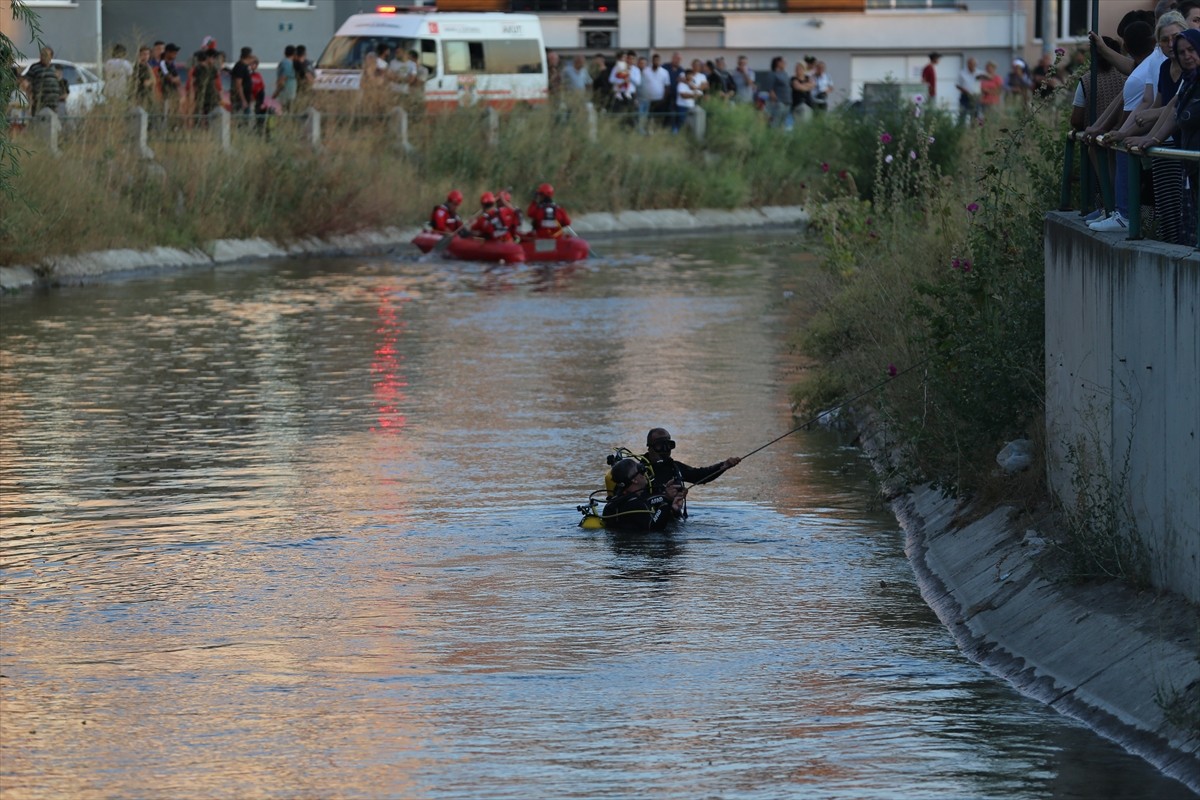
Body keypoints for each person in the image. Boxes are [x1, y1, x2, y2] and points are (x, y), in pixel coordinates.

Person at [640, 428, 740, 518]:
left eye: (668, 445)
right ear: (650, 447)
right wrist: (665, 497)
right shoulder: (639, 472)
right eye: (659, 445)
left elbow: (700, 475)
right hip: (650, 523)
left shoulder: (675, 467)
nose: (665, 450)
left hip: (673, 522)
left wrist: (724, 466)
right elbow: (635, 500)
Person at [601, 458, 679, 532]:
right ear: (634, 480)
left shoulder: (613, 502)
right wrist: (667, 501)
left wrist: (668, 499)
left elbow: (648, 502)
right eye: (641, 470)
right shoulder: (635, 504)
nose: (644, 473)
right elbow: (654, 527)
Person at [956, 57, 980, 126]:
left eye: (974, 64)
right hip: (965, 97)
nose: (973, 66)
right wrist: (964, 90)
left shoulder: (979, 73)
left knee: (975, 116)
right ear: (968, 64)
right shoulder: (962, 73)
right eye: (971, 64)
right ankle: (961, 131)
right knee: (962, 115)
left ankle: (973, 132)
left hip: (975, 97)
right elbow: (957, 85)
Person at [230, 45, 254, 115]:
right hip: (240, 100)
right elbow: (238, 84)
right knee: (241, 119)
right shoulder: (240, 67)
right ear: (248, 56)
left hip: (246, 97)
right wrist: (243, 100)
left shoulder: (245, 67)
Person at [274, 44, 297, 112]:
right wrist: (276, 93)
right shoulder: (288, 63)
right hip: (287, 93)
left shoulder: (284, 62)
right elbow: (282, 79)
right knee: (287, 112)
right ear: (294, 54)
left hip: (286, 93)